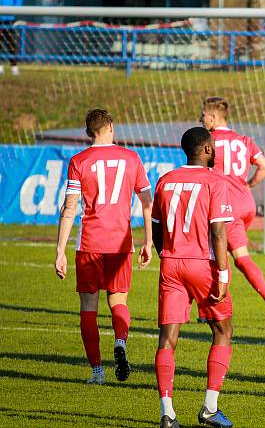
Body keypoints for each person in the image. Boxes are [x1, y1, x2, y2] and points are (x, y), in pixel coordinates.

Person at [54, 108, 153, 385]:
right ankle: (120, 342)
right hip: (121, 243)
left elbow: (70, 207)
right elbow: (147, 204)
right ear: (111, 126)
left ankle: (97, 371)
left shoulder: (79, 160)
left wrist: (60, 250)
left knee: (88, 306)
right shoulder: (132, 158)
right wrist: (149, 241)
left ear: (89, 131)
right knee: (118, 300)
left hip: (89, 243)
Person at [152, 127, 236, 428]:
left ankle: (167, 413)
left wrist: (168, 255)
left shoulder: (165, 180)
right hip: (202, 264)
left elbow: (157, 230)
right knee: (223, 330)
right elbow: (218, 231)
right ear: (208, 150)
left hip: (170, 264)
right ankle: (210, 408)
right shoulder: (215, 181)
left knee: (167, 338)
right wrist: (223, 273)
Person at [200, 96, 265, 331]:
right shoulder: (244, 140)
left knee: (211, 255)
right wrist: (248, 184)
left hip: (223, 206)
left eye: (203, 115)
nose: (200, 119)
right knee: (237, 256)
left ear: (213, 117)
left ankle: (208, 310)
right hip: (245, 204)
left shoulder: (208, 141)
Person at [0, 0, 22, 76]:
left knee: (11, 44)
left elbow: (18, 1)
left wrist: (11, 13)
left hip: (9, 20)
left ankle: (14, 67)